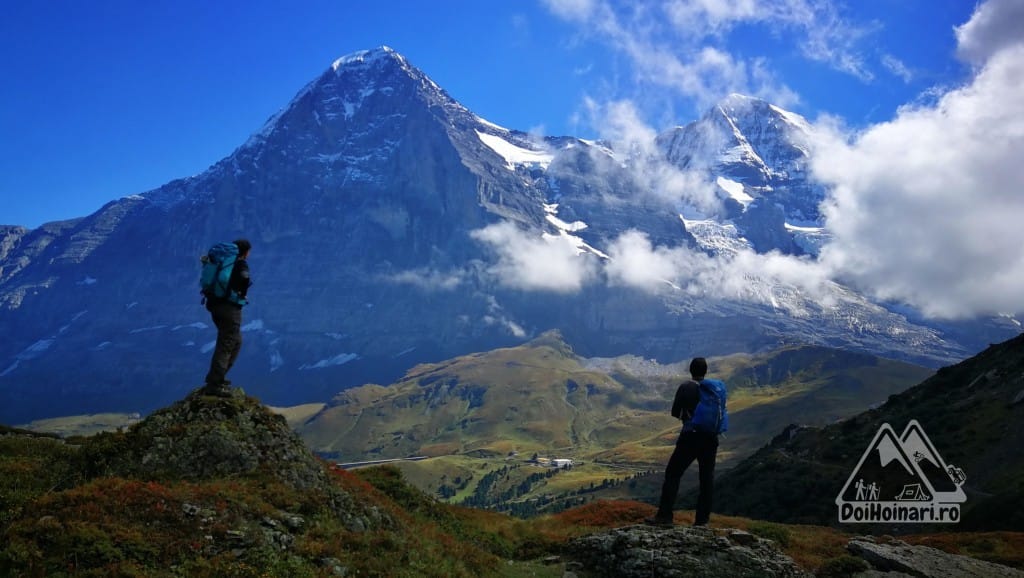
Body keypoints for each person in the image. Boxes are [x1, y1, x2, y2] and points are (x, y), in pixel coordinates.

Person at [646, 357, 728, 527]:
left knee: (673, 474)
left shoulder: (686, 387)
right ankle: (702, 522)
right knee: (706, 479)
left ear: (691, 370)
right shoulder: (715, 389)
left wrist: (688, 415)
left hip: (690, 436)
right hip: (711, 439)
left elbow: (675, 412)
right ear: (705, 371)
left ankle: (664, 516)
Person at [202, 239, 252, 395]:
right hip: (229, 308)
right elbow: (244, 278)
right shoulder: (240, 263)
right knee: (227, 343)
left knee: (235, 341)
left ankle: (218, 377)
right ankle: (214, 385)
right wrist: (242, 293)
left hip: (214, 305)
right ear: (245, 252)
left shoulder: (222, 263)